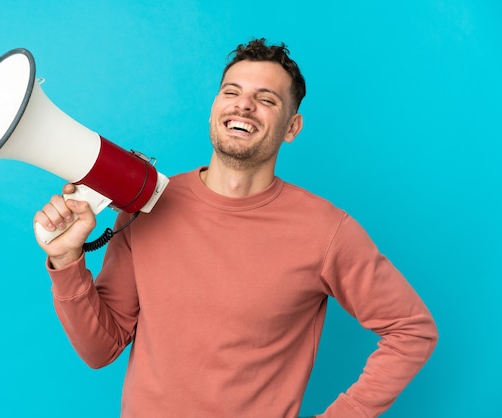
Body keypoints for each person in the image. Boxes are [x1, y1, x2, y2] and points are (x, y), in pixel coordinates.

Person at [34, 38, 438, 418]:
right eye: (231, 92)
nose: (243, 106)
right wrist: (67, 258)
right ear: (214, 109)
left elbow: (412, 330)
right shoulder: (145, 205)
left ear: (292, 127)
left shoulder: (327, 232)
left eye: (266, 99)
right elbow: (100, 350)